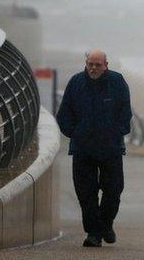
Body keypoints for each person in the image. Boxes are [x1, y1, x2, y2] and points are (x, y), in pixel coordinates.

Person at [56, 50, 132, 247]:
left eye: (98, 65)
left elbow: (125, 111)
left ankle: (106, 224)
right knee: (86, 193)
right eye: (90, 64)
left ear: (106, 64)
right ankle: (93, 233)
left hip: (111, 148)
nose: (93, 68)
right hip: (83, 149)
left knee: (113, 191)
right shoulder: (76, 83)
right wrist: (75, 132)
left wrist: (118, 130)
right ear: (86, 63)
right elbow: (64, 113)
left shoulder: (117, 81)